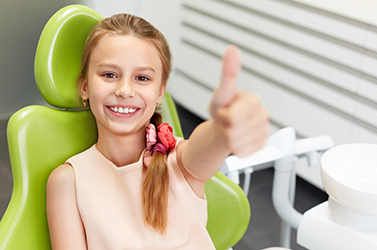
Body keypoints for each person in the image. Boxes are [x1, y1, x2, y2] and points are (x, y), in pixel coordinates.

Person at [46, 13, 269, 250]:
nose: (124, 90)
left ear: (160, 93)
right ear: (84, 87)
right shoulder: (68, 182)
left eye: (142, 78)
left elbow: (207, 145)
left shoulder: (179, 160)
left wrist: (223, 131)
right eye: (109, 75)